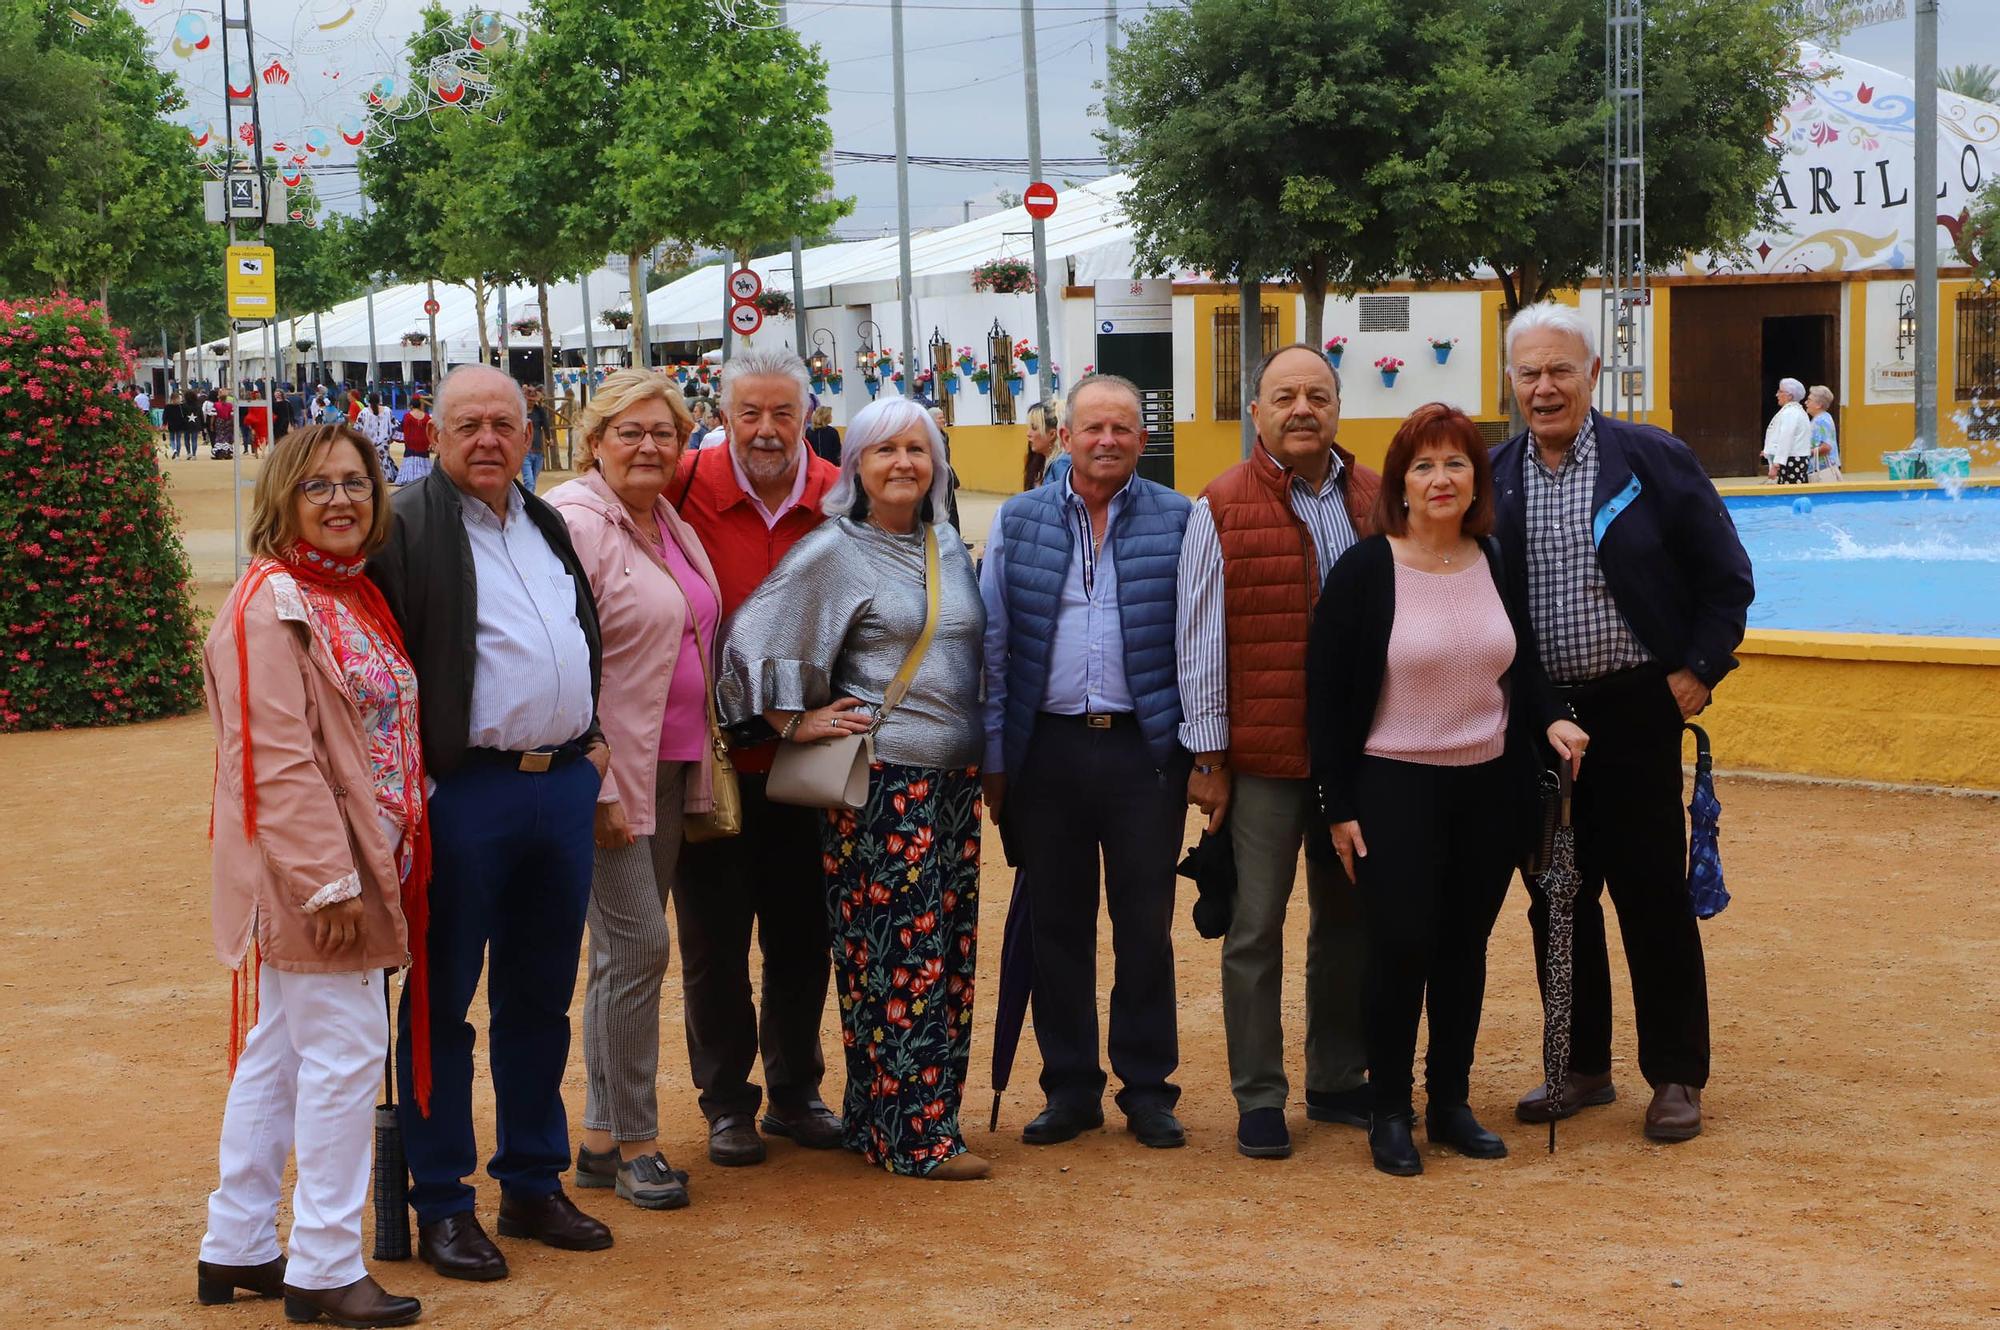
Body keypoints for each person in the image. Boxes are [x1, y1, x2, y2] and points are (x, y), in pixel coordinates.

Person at [366, 364, 615, 1280]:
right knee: (439, 1004)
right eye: (467, 424)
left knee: (538, 998)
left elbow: (576, 635)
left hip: (558, 790)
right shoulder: (405, 526)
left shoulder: (543, 519)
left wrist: (588, 746)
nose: (486, 440)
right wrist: (413, 790)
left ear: (528, 431)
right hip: (462, 794)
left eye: (502, 423)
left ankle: (533, 1179)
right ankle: (441, 1201)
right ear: (433, 432)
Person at [1491, 302, 1754, 1143]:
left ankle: (1676, 1074)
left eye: (1561, 370)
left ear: (1593, 375)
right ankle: (1579, 1065)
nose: (1545, 387)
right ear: (1511, 381)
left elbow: (1726, 577)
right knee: (1555, 897)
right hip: (1539, 718)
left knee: (1650, 893)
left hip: (1638, 708)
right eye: (1529, 372)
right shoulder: (1493, 477)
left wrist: (1699, 670)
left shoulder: (1653, 459)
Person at [1308, 403, 1589, 1177]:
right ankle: (1391, 1112)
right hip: (1393, 785)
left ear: (1477, 479)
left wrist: (1554, 719)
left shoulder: (1491, 557)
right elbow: (1326, 696)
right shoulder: (1367, 569)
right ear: (1399, 483)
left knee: (1464, 952)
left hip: (1488, 786)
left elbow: (1519, 661)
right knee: (1399, 951)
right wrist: (1338, 803)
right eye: (1424, 466)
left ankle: (1450, 1103)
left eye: (1456, 463)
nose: (1441, 479)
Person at [717, 397, 989, 1180]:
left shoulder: (946, 545)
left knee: (947, 953)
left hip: (951, 784)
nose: (904, 463)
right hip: (882, 784)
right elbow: (751, 641)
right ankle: (916, 1138)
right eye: (884, 451)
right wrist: (794, 724)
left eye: (918, 448)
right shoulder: (834, 549)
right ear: (857, 467)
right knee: (900, 960)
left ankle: (889, 1118)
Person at [197, 423, 425, 1328]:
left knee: (284, 1051)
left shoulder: (343, 592)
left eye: (357, 484)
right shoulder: (271, 600)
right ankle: (326, 1264)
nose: (341, 501)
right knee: (345, 1055)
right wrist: (328, 884)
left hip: (361, 854)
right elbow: (274, 760)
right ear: (282, 497)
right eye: (318, 486)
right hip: (323, 871)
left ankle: (240, 1241)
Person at [979, 373, 1193, 1151]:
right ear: (1063, 436)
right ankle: (1070, 1088)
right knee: (1057, 927)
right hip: (1049, 751)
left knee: (1145, 925)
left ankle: (1147, 1087)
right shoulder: (1018, 519)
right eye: (1093, 427)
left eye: (1124, 429)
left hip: (1145, 753)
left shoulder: (1180, 518)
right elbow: (995, 644)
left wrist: (1201, 752)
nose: (1108, 440)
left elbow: (1200, 643)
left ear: (1142, 439)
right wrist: (997, 759)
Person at [1174, 343, 1376, 1161]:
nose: (1303, 408)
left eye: (1318, 395)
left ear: (1336, 407)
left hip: (1361, 759)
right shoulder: (1220, 503)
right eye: (1285, 395)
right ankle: (1259, 1097)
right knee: (1255, 928)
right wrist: (1211, 756)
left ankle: (1337, 1076)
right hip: (1261, 758)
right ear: (1255, 412)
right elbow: (1200, 640)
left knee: (1350, 923)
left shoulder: (1374, 496)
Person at [546, 371, 721, 1212]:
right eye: (631, 431)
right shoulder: (578, 524)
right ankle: (640, 1142)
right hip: (609, 773)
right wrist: (598, 777)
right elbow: (561, 659)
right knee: (643, 946)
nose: (649, 446)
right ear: (595, 439)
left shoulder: (665, 522)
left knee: (623, 955)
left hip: (673, 761)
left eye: (665, 433)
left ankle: (599, 1139)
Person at [667, 347, 845, 1167]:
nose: (767, 431)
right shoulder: (680, 488)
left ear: (808, 413)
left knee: (804, 936)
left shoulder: (840, 495)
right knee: (713, 943)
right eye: (750, 414)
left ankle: (796, 1092)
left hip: (814, 765)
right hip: (714, 763)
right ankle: (726, 1103)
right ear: (724, 414)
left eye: (783, 413)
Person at [1764, 377, 1812, 484]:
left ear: (1790, 396)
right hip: (1792, 460)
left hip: (1791, 461)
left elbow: (1785, 438)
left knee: (1789, 493)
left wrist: (1776, 465)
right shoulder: (1795, 411)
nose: (1777, 395)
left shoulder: (1790, 412)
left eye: (1780, 391)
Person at [1023, 399, 1065, 490]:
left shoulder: (1061, 464)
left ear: (1052, 434)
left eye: (1034, 428)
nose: (1028, 434)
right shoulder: (1039, 461)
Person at [1805, 384, 1842, 482]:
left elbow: (1826, 447)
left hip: (1822, 470)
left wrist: (1805, 453)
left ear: (1818, 405)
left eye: (1809, 400)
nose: (1806, 403)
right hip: (1820, 469)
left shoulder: (1821, 421)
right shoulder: (1824, 417)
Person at [359, 393, 397, 482]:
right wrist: (391, 437)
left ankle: (371, 477)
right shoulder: (387, 410)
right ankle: (387, 477)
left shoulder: (364, 412)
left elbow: (358, 428)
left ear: (368, 400)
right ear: (379, 400)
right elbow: (394, 424)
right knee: (384, 459)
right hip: (384, 442)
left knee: (371, 459)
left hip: (368, 442)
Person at [398, 394, 435, 485]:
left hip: (411, 443)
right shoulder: (426, 417)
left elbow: (402, 429)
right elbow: (431, 429)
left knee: (410, 458)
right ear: (420, 405)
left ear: (411, 405)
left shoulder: (407, 416)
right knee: (424, 459)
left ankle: (409, 478)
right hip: (423, 443)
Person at [525, 387, 552, 493]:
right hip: (525, 451)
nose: (531, 402)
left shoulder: (540, 411)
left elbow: (545, 425)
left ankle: (530, 499)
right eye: (529, 400)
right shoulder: (520, 412)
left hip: (538, 449)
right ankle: (528, 506)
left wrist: (549, 439)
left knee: (533, 480)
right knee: (529, 481)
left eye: (533, 400)